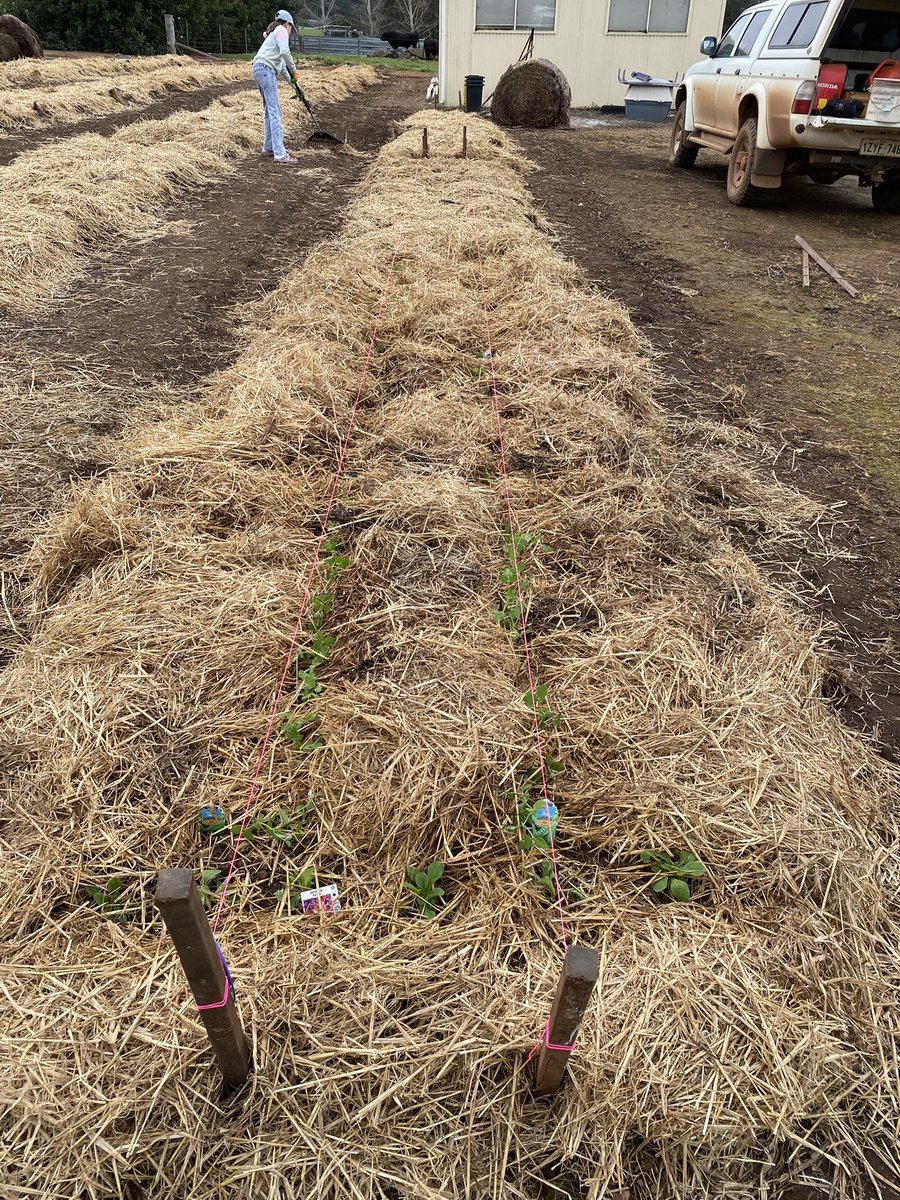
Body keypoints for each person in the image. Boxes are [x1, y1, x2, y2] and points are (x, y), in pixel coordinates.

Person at [252, 9, 301, 164]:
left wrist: (296, 87)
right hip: (266, 70)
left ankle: (268, 148)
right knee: (275, 112)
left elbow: (281, 69)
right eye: (291, 27)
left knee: (269, 110)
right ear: (287, 23)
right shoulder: (281, 30)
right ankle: (280, 153)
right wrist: (294, 70)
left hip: (258, 69)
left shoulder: (273, 39)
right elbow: (286, 53)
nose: (291, 31)